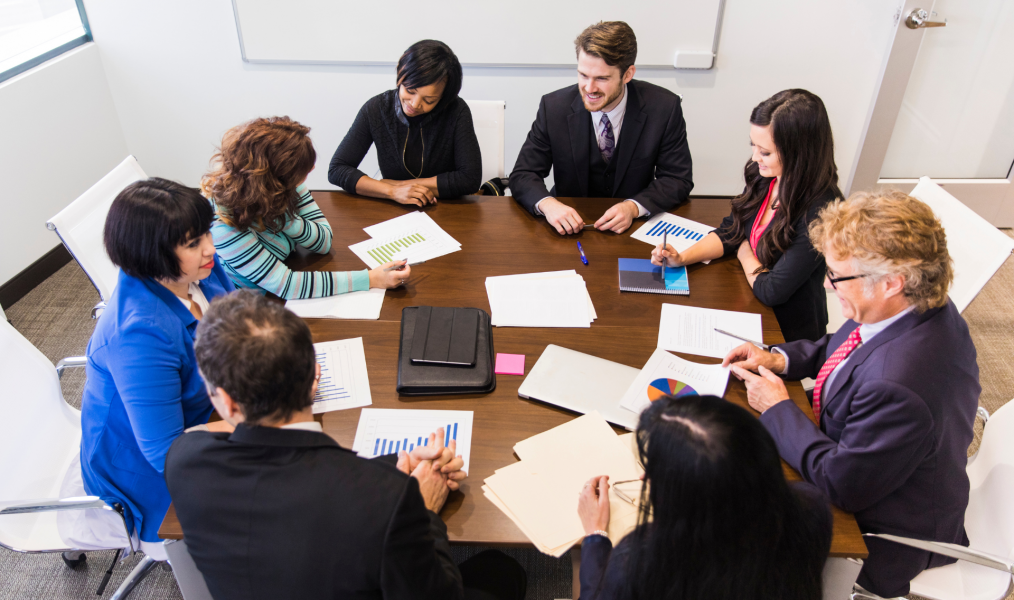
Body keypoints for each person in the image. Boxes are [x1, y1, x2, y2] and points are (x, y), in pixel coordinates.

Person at [166, 291, 527, 600]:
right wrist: (425, 510)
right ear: (315, 375)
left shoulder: (184, 460)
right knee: (503, 571)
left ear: (227, 402)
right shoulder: (388, 502)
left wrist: (395, 467)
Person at [723, 191, 980, 597]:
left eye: (837, 276)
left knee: (727, 521)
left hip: (879, 533)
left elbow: (841, 484)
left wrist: (777, 407)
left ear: (891, 283)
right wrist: (778, 359)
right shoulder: (913, 305)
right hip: (872, 465)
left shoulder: (897, 383)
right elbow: (844, 345)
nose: (828, 285)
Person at [66, 178, 236, 561]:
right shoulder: (140, 335)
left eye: (206, 233)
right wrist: (258, 418)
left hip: (204, 412)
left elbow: (238, 319)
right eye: (193, 243)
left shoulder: (198, 271)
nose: (210, 247)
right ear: (153, 254)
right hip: (146, 474)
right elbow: (165, 452)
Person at [576, 395, 831, 600]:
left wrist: (595, 535)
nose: (645, 478)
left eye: (658, 471)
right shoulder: (811, 508)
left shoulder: (638, 564)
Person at [651, 89, 842, 341]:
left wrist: (744, 253)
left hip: (787, 330)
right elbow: (732, 230)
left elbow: (773, 290)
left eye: (765, 152)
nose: (755, 158)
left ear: (799, 152)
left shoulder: (822, 212)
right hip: (750, 301)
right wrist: (682, 258)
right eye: (754, 146)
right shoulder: (766, 177)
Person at [509, 21, 693, 236]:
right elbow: (524, 173)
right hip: (568, 229)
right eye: (583, 75)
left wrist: (634, 207)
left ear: (628, 74)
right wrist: (548, 205)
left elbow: (677, 178)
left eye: (602, 78)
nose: (589, 88)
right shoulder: (553, 107)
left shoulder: (664, 107)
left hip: (634, 227)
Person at [202, 116, 409, 299]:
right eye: (302, 172)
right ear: (274, 181)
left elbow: (323, 242)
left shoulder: (282, 188)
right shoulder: (222, 222)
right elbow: (287, 285)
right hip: (246, 301)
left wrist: (283, 217)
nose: (312, 169)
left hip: (281, 277)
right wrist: (371, 279)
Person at [328, 40, 482, 205]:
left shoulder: (456, 111)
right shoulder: (376, 109)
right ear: (400, 72)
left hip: (445, 206)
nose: (414, 104)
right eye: (410, 90)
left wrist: (400, 186)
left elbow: (470, 178)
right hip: (394, 206)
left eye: (429, 100)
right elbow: (337, 169)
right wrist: (391, 191)